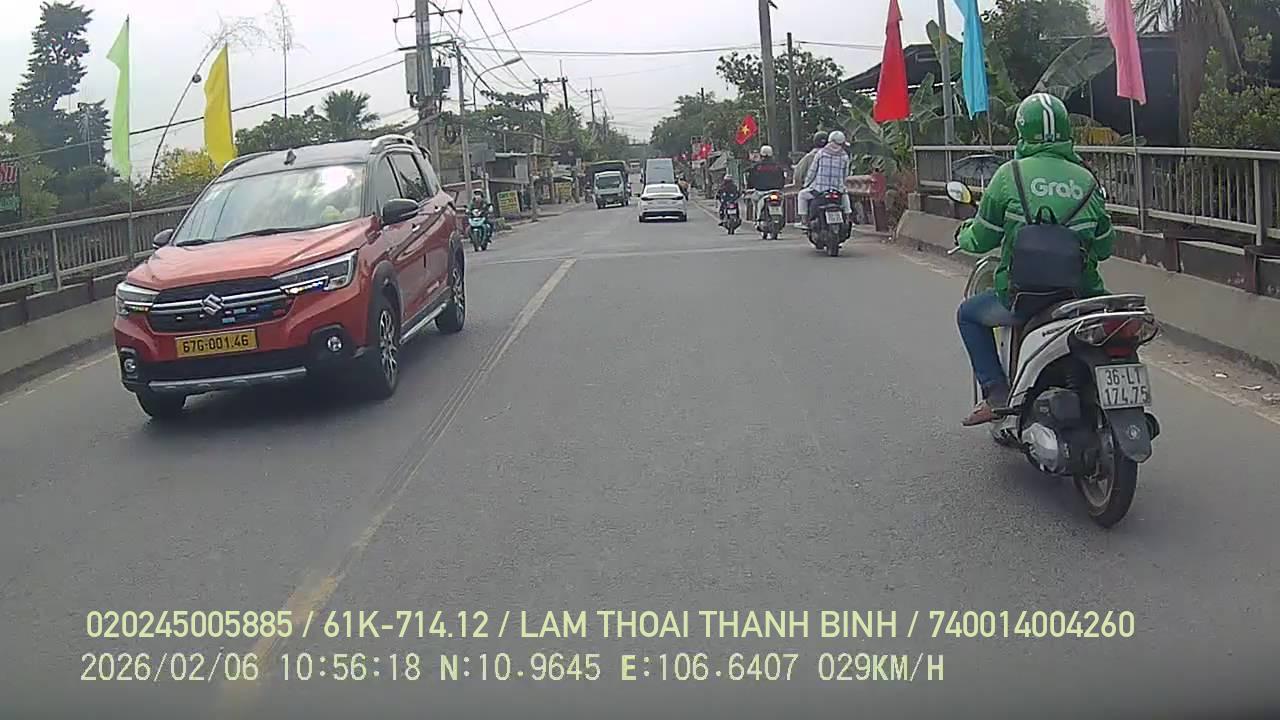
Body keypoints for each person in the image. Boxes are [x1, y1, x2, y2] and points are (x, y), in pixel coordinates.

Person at [955, 93, 1115, 426]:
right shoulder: (1087, 180)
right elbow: (1104, 247)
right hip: (1080, 296)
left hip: (1024, 298)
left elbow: (981, 239)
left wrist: (963, 234)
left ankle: (996, 392)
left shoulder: (1008, 175)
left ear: (1022, 131)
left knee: (968, 314)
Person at [799, 130, 852, 226]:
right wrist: (841, 184)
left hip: (820, 190)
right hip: (837, 190)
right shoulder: (844, 156)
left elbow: (812, 172)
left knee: (802, 195)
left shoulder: (821, 153)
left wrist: (806, 184)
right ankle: (848, 218)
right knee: (845, 194)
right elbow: (846, 174)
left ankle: (804, 221)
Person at [745, 145, 786, 225]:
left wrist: (750, 187)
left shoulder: (757, 167)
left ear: (761, 154)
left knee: (754, 200)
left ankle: (756, 220)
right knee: (782, 202)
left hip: (761, 192)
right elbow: (782, 179)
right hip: (776, 191)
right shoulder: (777, 167)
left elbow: (751, 180)